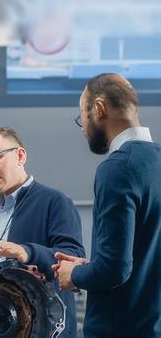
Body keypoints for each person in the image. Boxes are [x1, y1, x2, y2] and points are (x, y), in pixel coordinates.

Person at [54, 73, 161, 338]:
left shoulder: (117, 168)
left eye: (82, 116)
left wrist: (74, 274)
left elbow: (115, 269)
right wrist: (88, 266)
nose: (82, 127)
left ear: (99, 109)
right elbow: (143, 256)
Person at [0, 127, 85, 338]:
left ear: (20, 156)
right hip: (1, 328)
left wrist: (28, 252)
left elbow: (74, 257)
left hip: (46, 330)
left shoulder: (55, 202)